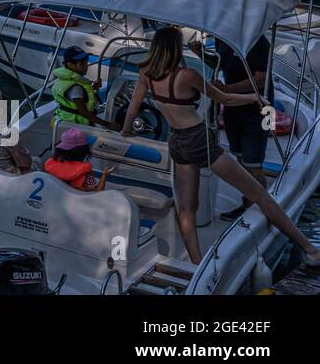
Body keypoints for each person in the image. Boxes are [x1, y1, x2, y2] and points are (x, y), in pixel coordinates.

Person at [121, 26, 320, 266]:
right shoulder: (186, 76)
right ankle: (310, 249)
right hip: (198, 139)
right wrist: (256, 98)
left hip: (177, 141)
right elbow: (223, 98)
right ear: (175, 48)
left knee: (187, 208)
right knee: (259, 194)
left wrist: (126, 129)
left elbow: (134, 104)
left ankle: (197, 264)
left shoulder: (145, 73)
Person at [189, 35, 271, 221]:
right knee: (241, 157)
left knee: (253, 161)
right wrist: (201, 53)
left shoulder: (258, 41)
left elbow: (260, 80)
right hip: (233, 107)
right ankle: (249, 203)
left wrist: (226, 90)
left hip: (257, 108)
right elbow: (221, 64)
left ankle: (262, 209)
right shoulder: (223, 38)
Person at [51, 46, 117, 129]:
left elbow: (79, 97)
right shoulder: (75, 87)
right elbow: (84, 112)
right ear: (70, 65)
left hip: (63, 118)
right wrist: (108, 124)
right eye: (82, 64)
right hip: (74, 125)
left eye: (86, 62)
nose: (86, 66)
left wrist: (93, 88)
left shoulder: (66, 80)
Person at [45, 125, 115, 191]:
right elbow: (97, 192)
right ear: (84, 151)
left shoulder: (50, 164)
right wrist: (104, 175)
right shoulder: (85, 174)